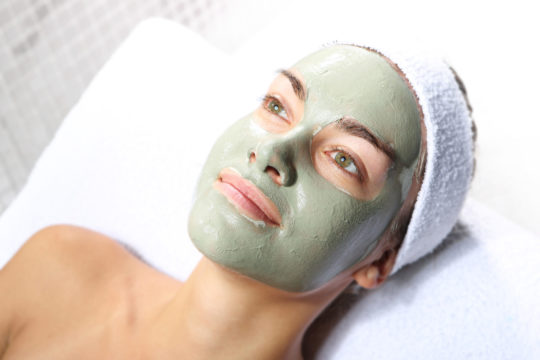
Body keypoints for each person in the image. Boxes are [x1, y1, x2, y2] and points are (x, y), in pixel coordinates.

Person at [0, 44, 474, 359]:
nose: (271, 152)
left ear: (380, 260)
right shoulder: (60, 270)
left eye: (344, 159)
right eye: (277, 106)